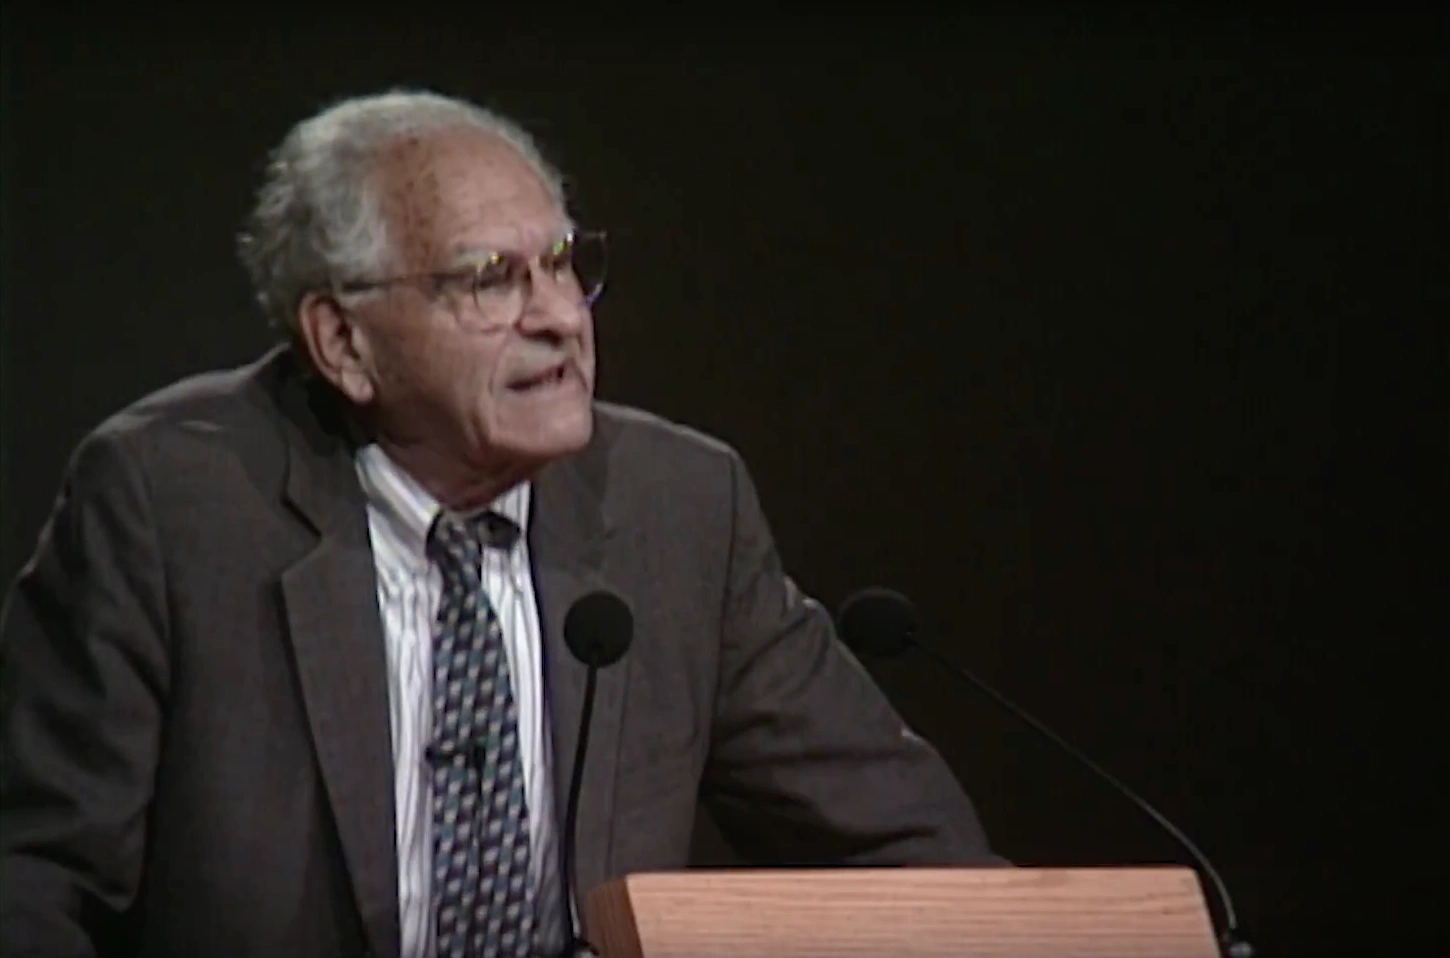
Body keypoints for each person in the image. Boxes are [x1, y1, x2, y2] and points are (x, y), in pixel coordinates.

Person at [0, 90, 996, 958]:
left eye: (564, 263)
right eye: (492, 278)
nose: (560, 314)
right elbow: (31, 880)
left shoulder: (680, 506)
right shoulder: (170, 503)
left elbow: (912, 859)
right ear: (343, 341)